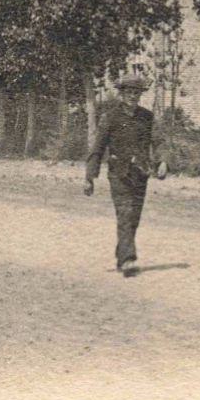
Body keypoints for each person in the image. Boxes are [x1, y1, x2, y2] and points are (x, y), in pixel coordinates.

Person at [84, 74, 167, 276]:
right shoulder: (110, 117)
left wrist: (163, 161)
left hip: (141, 173)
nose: (132, 96)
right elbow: (98, 147)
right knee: (125, 214)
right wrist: (90, 176)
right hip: (118, 174)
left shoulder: (146, 117)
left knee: (134, 218)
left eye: (136, 93)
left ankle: (122, 254)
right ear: (122, 94)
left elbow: (158, 141)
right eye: (128, 92)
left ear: (140, 95)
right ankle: (128, 259)